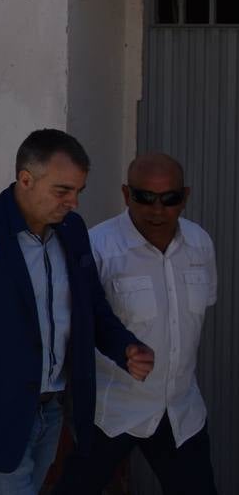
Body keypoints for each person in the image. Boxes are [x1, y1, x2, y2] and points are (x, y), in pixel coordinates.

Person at [0, 129, 155, 495]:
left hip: (54, 410)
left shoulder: (73, 231)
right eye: (62, 191)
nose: (73, 203)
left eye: (79, 191)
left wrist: (125, 348)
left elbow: (90, 307)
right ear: (26, 180)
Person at [53, 152, 219, 494]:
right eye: (145, 197)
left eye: (169, 199)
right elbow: (83, 326)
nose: (157, 210)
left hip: (180, 411)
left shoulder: (200, 244)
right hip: (113, 412)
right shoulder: (99, 247)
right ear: (127, 195)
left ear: (185, 197)